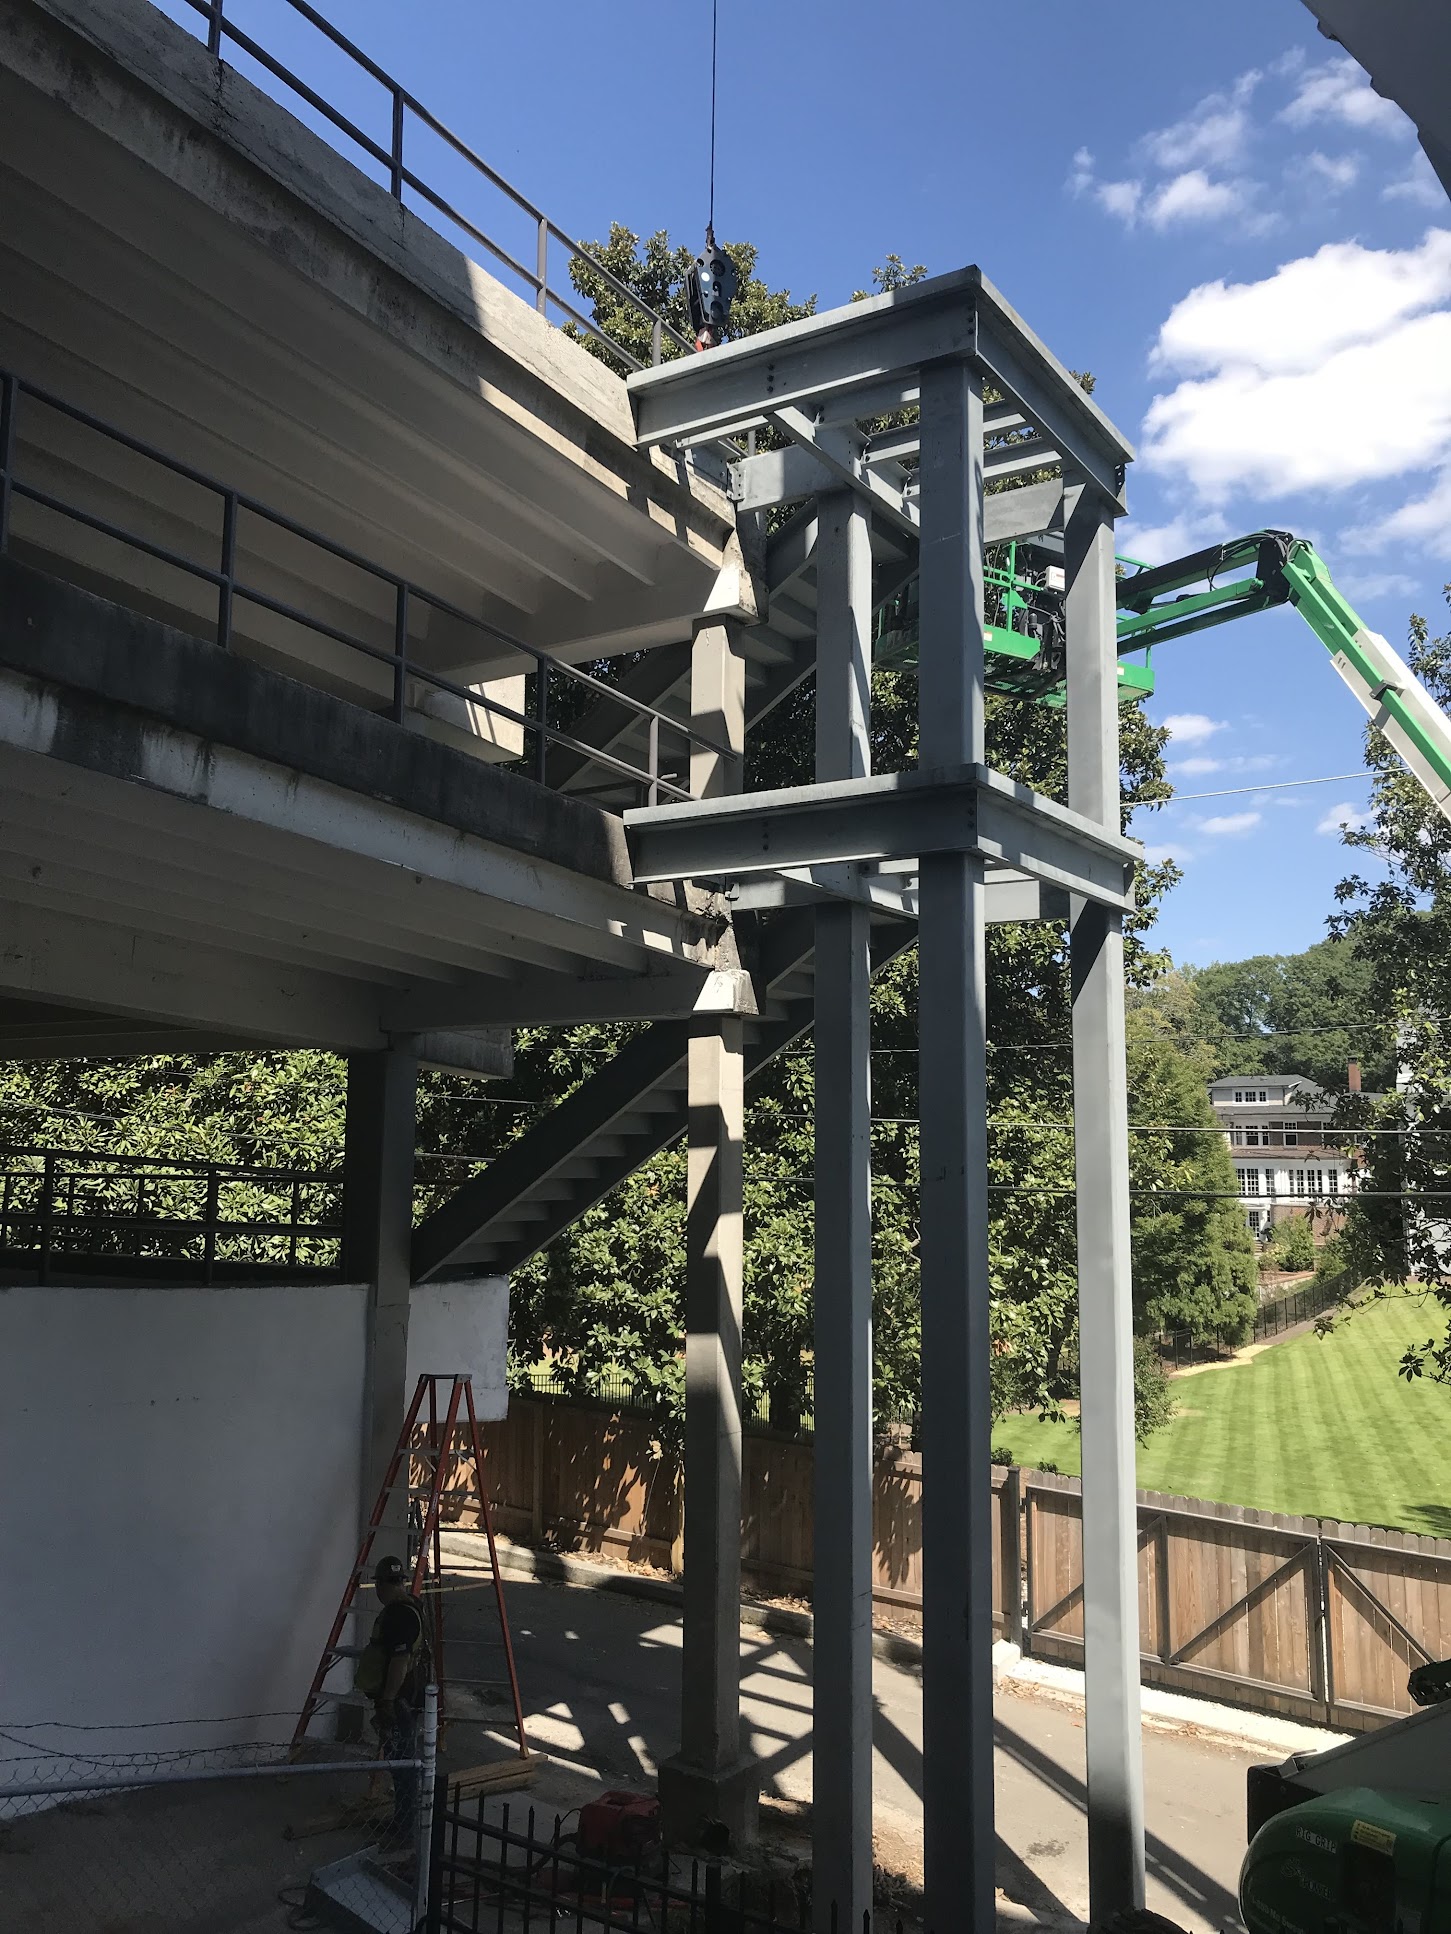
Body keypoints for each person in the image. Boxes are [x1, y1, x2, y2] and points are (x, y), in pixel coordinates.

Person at [358, 1554, 428, 1857]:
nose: (377, 1590)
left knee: (403, 1765)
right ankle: (400, 1822)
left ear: (384, 1584)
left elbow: (399, 1663)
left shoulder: (400, 1615)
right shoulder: (407, 1608)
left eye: (379, 1584)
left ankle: (404, 1832)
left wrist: (386, 1701)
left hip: (400, 1701)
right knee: (400, 1763)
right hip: (402, 1698)